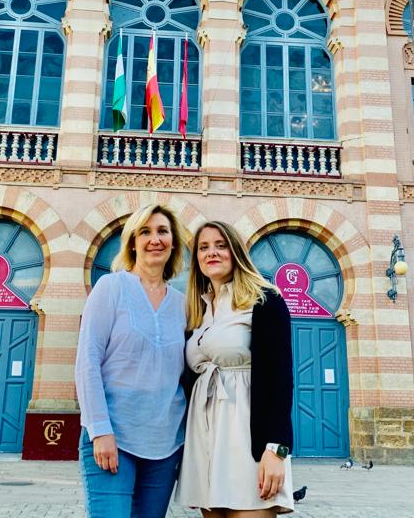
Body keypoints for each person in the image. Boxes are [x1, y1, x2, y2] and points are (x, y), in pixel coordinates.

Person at [75, 203, 189, 518]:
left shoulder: (184, 305)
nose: (155, 239)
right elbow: (87, 361)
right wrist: (99, 430)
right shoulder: (110, 288)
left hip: (166, 447)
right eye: (145, 232)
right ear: (132, 242)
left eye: (163, 231)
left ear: (174, 243)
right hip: (114, 438)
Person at [176, 220, 294, 517]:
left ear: (236, 251)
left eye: (220, 245)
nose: (211, 253)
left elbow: (281, 379)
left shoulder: (265, 300)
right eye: (203, 247)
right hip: (204, 436)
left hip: (247, 433)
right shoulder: (198, 310)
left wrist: (276, 449)